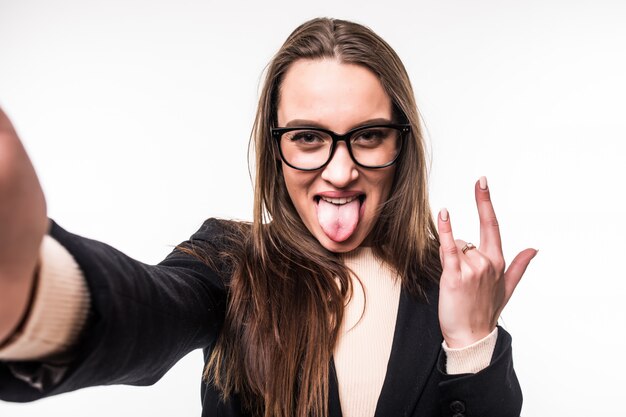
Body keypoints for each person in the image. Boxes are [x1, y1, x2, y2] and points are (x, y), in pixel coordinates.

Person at [0, 17, 536, 417]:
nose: (341, 171)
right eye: (308, 138)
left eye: (368, 136)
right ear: (274, 149)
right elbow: (150, 310)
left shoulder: (454, 284)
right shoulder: (231, 261)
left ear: (403, 145)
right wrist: (34, 288)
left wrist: (471, 342)